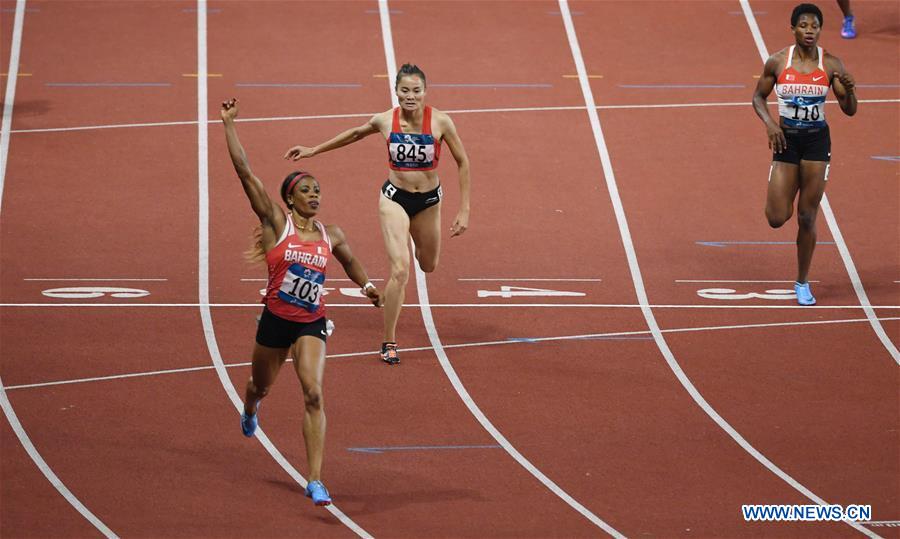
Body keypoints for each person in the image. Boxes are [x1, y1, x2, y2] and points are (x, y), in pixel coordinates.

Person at [221, 98, 383, 506]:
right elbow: (245, 173)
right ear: (290, 200)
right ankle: (251, 408)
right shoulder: (278, 223)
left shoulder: (334, 234)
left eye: (317, 190)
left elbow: (352, 263)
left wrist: (368, 289)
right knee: (261, 385)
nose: (314, 194)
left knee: (313, 393)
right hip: (275, 322)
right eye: (306, 190)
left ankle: (315, 479)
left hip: (311, 322)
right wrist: (229, 126)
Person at [284, 63, 471, 365]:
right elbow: (355, 134)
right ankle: (389, 340)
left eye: (416, 91)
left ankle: (417, 245)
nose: (410, 96)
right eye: (404, 90)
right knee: (400, 269)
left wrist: (464, 210)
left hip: (428, 203)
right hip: (394, 200)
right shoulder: (385, 120)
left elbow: (463, 162)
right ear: (396, 91)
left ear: (425, 92)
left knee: (429, 264)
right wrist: (314, 150)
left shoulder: (441, 122)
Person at [752, 3, 856, 305]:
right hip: (786, 143)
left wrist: (849, 92)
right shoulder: (777, 62)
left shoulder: (832, 64)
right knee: (776, 217)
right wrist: (771, 124)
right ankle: (788, 185)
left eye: (815, 26)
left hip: (816, 144)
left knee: (807, 216)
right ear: (793, 28)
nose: (810, 31)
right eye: (804, 26)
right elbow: (758, 96)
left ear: (820, 30)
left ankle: (802, 282)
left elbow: (849, 110)